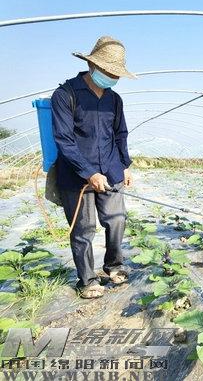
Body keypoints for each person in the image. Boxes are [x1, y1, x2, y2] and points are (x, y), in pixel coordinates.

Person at [51, 36, 136, 299]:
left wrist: (125, 165)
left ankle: (113, 265)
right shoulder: (65, 95)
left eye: (116, 74)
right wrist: (89, 172)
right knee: (84, 228)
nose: (113, 77)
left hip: (111, 169)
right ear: (93, 66)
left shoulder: (114, 100)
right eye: (109, 72)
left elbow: (120, 134)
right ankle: (86, 280)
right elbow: (64, 139)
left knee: (117, 219)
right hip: (76, 176)